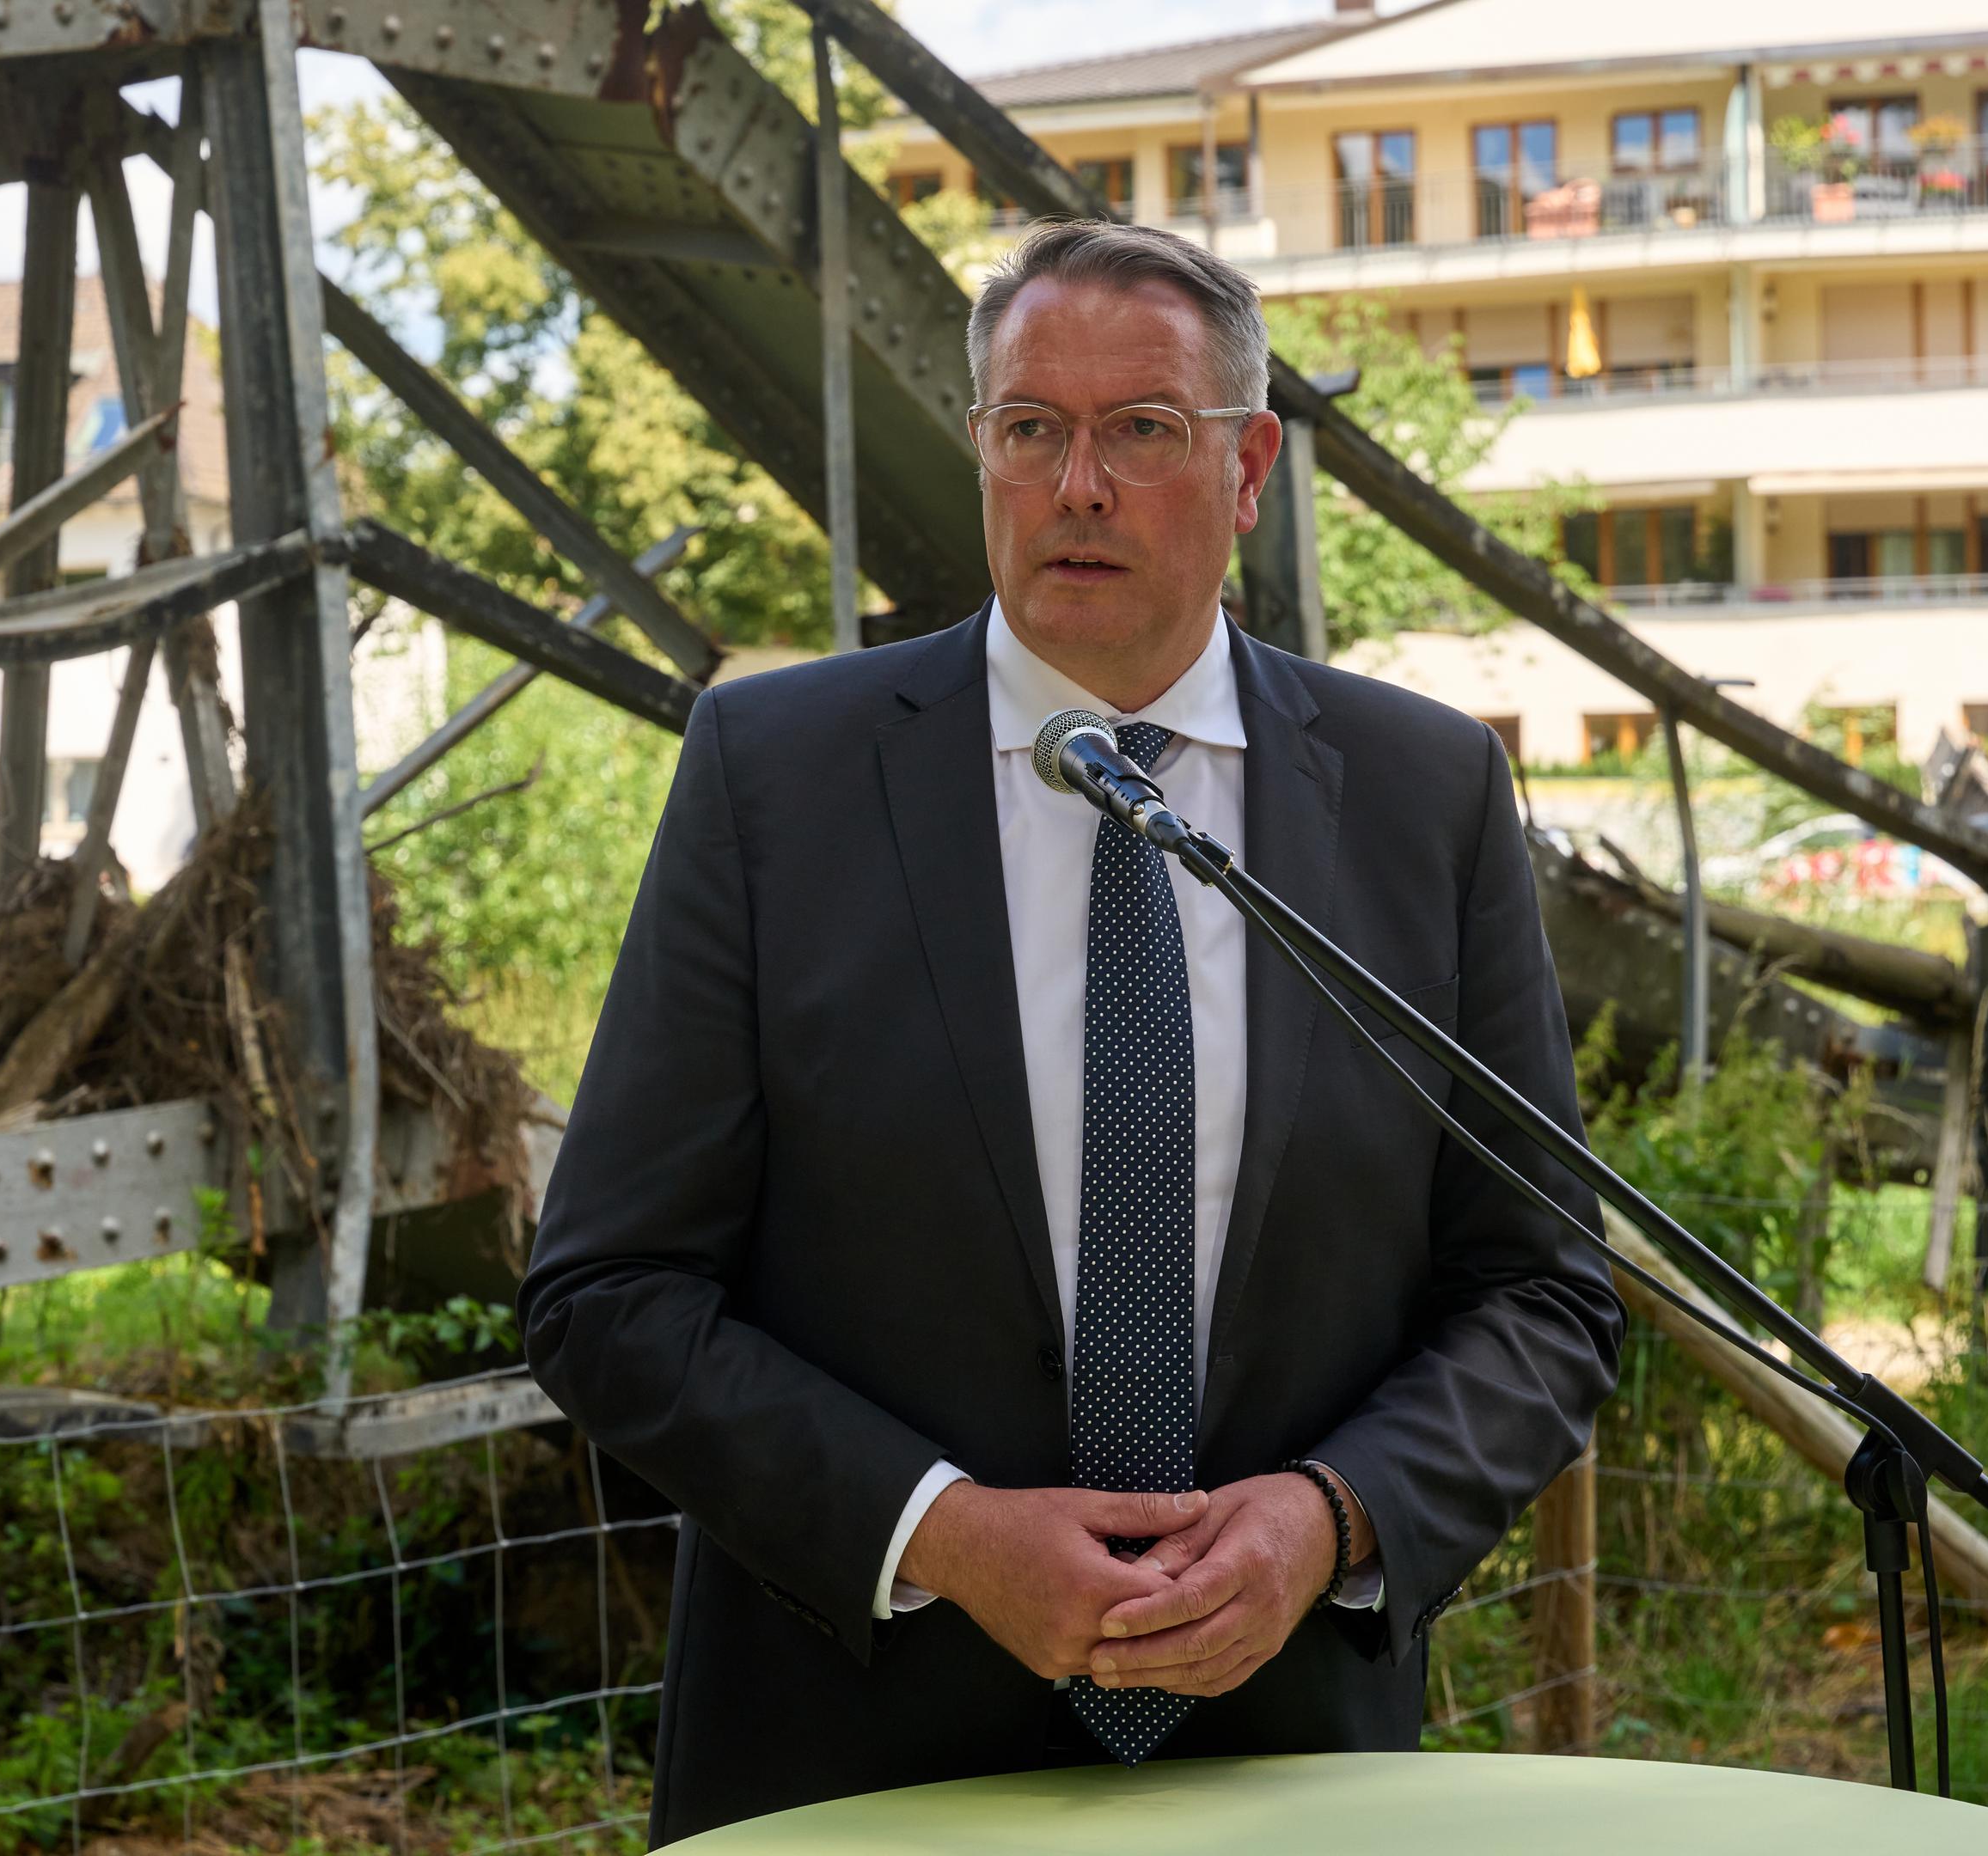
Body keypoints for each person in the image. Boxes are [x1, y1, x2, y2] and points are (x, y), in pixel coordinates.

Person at [519, 220, 1626, 1843]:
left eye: (1141, 432)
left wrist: (1331, 1522)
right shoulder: (777, 777)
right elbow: (606, 1295)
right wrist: (950, 1535)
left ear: (1249, 470)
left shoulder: (1422, 794)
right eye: (1029, 429)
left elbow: (1543, 1292)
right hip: (853, 1758)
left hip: (1289, 1759)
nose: (1077, 486)